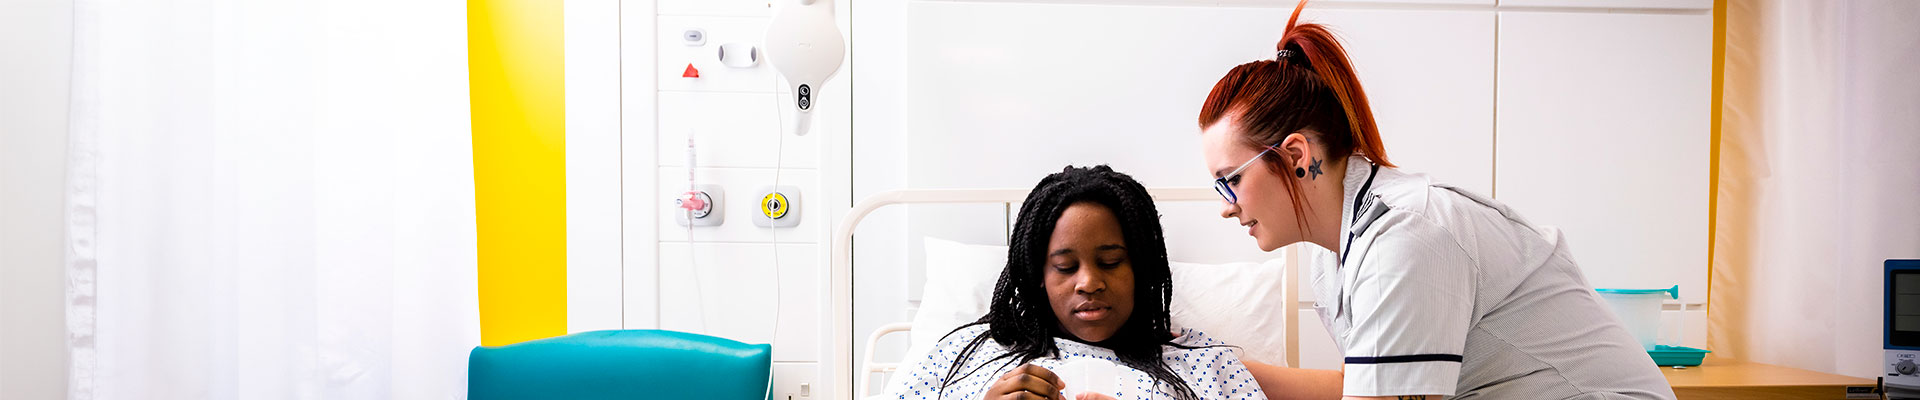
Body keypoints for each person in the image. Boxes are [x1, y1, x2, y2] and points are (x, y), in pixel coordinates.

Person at [1190, 1, 1677, 399]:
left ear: (1296, 155)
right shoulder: (1338, 249)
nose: (1226, 206)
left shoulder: (1404, 238)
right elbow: (1362, 385)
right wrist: (1201, 374)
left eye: (1228, 180)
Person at [883, 165, 1266, 400]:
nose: (1089, 282)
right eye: (1065, 267)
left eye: (1111, 262)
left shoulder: (1205, 364)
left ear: (1142, 269)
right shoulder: (964, 357)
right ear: (1038, 277)